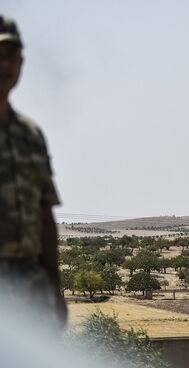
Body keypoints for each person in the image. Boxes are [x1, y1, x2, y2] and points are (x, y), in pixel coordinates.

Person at [0, 15, 67, 331]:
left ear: (21, 62)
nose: (4, 64)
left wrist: (55, 290)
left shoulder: (31, 135)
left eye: (10, 55)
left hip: (32, 295)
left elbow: (44, 217)